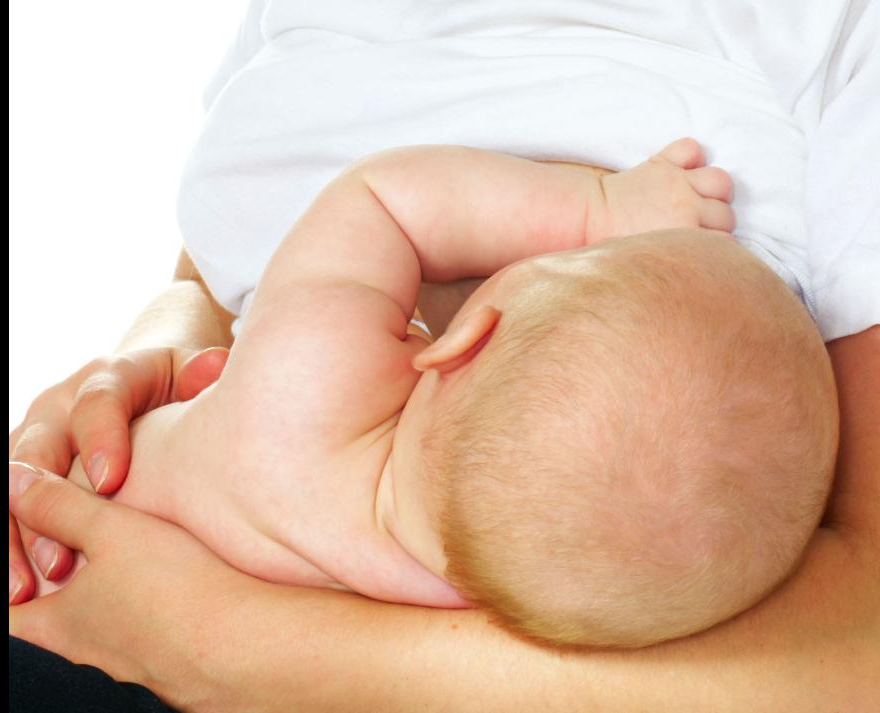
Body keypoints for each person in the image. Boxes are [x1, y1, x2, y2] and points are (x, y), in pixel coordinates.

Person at [9, 1, 880, 713]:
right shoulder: (453, 556)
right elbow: (229, 259)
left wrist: (227, 647)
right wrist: (151, 358)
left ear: (463, 338)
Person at [55, 140, 836, 648]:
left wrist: (594, 211)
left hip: (57, 541)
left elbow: (383, 201)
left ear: (467, 338)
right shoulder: (456, 598)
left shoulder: (314, 377)